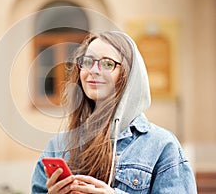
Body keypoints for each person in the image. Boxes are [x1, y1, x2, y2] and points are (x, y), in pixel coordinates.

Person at [31, 31, 197, 193]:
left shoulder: (161, 145)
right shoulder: (58, 147)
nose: (94, 70)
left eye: (107, 63)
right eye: (88, 61)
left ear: (129, 76)